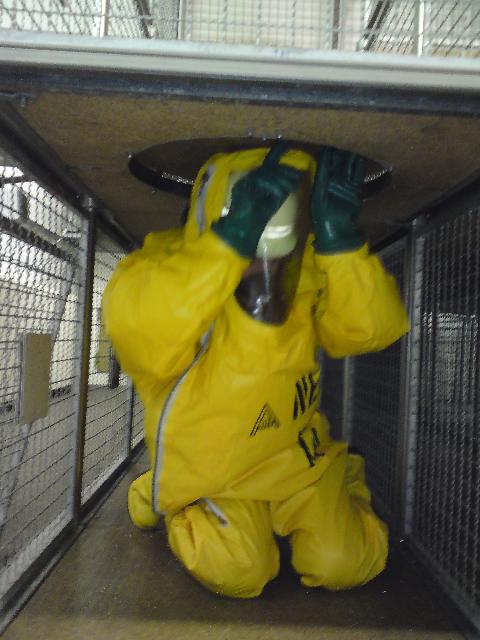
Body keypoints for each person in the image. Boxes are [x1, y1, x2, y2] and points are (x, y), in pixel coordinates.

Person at [102, 143, 409, 599]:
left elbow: (370, 332)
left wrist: (341, 245)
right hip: (214, 469)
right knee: (239, 571)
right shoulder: (163, 264)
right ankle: (168, 493)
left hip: (297, 457)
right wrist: (227, 245)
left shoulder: (308, 270)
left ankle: (342, 478)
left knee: (344, 564)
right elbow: (142, 338)